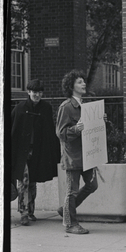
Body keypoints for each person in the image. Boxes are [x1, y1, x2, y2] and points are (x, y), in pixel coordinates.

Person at [11, 79, 60, 226]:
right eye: (34, 92)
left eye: (39, 92)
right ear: (28, 92)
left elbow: (50, 130)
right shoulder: (20, 108)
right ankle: (24, 212)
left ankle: (30, 210)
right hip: (22, 151)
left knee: (32, 181)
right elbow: (12, 129)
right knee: (24, 180)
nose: (37, 95)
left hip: (38, 150)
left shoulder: (46, 108)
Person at [56, 70, 98, 234]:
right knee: (72, 191)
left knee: (92, 185)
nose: (83, 84)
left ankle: (65, 210)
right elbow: (60, 133)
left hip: (87, 154)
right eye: (80, 82)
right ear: (71, 86)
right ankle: (70, 223)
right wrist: (75, 129)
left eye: (83, 81)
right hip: (73, 156)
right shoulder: (66, 107)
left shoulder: (86, 107)